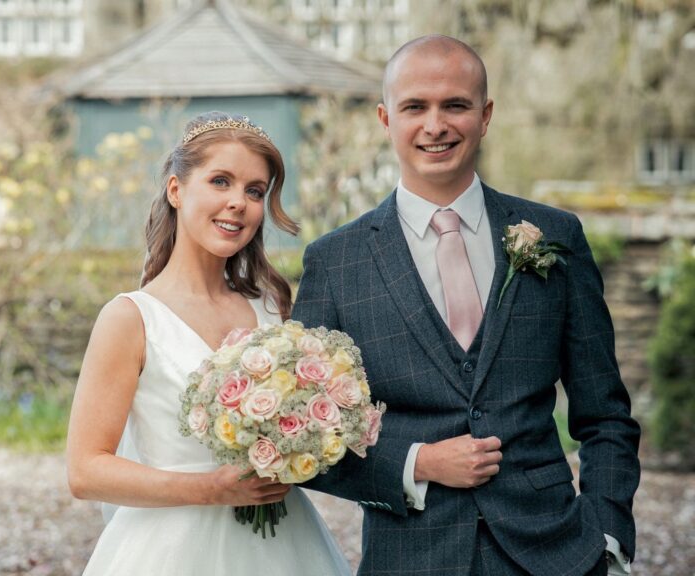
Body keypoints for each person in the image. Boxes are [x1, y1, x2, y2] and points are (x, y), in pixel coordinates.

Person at [293, 35, 640, 576]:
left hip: (558, 553)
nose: (436, 125)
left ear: (485, 115)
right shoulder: (335, 262)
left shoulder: (556, 234)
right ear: (386, 119)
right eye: (415, 107)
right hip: (410, 557)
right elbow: (303, 437)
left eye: (455, 104)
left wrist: (609, 537)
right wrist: (417, 463)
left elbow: (606, 415)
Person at [67, 112, 352, 575]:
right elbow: (85, 471)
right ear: (176, 190)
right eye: (221, 181)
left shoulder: (273, 309)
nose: (238, 202)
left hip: (284, 546)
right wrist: (213, 490)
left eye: (255, 191)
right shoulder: (130, 318)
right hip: (168, 552)